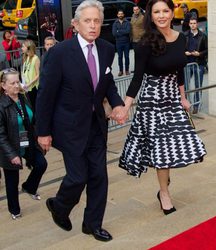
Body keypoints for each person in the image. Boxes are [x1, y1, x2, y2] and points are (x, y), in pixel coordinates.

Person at [35, 0, 124, 242]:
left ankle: (92, 225)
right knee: (78, 177)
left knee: (99, 177)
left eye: (96, 20)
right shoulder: (59, 53)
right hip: (70, 128)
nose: (93, 26)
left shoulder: (107, 48)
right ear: (75, 24)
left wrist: (116, 103)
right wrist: (42, 132)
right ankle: (59, 206)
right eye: (87, 21)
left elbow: (107, 84)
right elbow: (45, 95)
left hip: (97, 125)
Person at [113, 0, 206, 215]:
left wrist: (183, 97)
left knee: (178, 143)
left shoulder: (180, 38)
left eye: (165, 11)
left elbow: (179, 70)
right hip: (152, 101)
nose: (162, 15)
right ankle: (164, 192)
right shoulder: (145, 42)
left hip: (173, 98)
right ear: (151, 16)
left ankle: (165, 179)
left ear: (172, 13)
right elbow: (136, 79)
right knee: (163, 151)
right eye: (157, 12)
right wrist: (126, 107)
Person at [0, 68, 47, 220]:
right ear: (3, 85)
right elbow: (1, 135)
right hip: (10, 147)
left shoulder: (23, 97)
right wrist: (12, 155)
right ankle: (14, 209)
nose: (16, 85)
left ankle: (29, 187)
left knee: (41, 164)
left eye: (18, 81)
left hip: (28, 142)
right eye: (12, 83)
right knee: (12, 181)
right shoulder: (1, 106)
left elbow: (32, 119)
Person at [184, 17, 208, 114]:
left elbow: (207, 50)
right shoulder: (185, 35)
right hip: (188, 64)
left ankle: (196, 106)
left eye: (194, 23)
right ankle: (185, 105)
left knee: (198, 86)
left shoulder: (203, 36)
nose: (193, 25)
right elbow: (180, 48)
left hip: (199, 64)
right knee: (185, 86)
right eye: (191, 23)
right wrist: (184, 52)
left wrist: (200, 54)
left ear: (197, 24)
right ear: (189, 24)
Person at [21, 39, 40, 111]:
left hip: (33, 87)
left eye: (23, 47)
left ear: (28, 47)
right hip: (26, 86)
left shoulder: (35, 58)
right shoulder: (26, 57)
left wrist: (29, 84)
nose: (21, 48)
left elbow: (38, 75)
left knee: (34, 105)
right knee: (29, 105)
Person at [112, 9, 131, 76]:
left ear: (123, 15)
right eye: (119, 14)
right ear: (117, 15)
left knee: (127, 57)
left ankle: (127, 70)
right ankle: (120, 71)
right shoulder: (115, 23)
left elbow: (128, 31)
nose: (120, 15)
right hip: (118, 43)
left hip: (126, 43)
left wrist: (119, 31)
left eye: (121, 14)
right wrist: (123, 31)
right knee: (120, 57)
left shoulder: (127, 22)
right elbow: (114, 33)